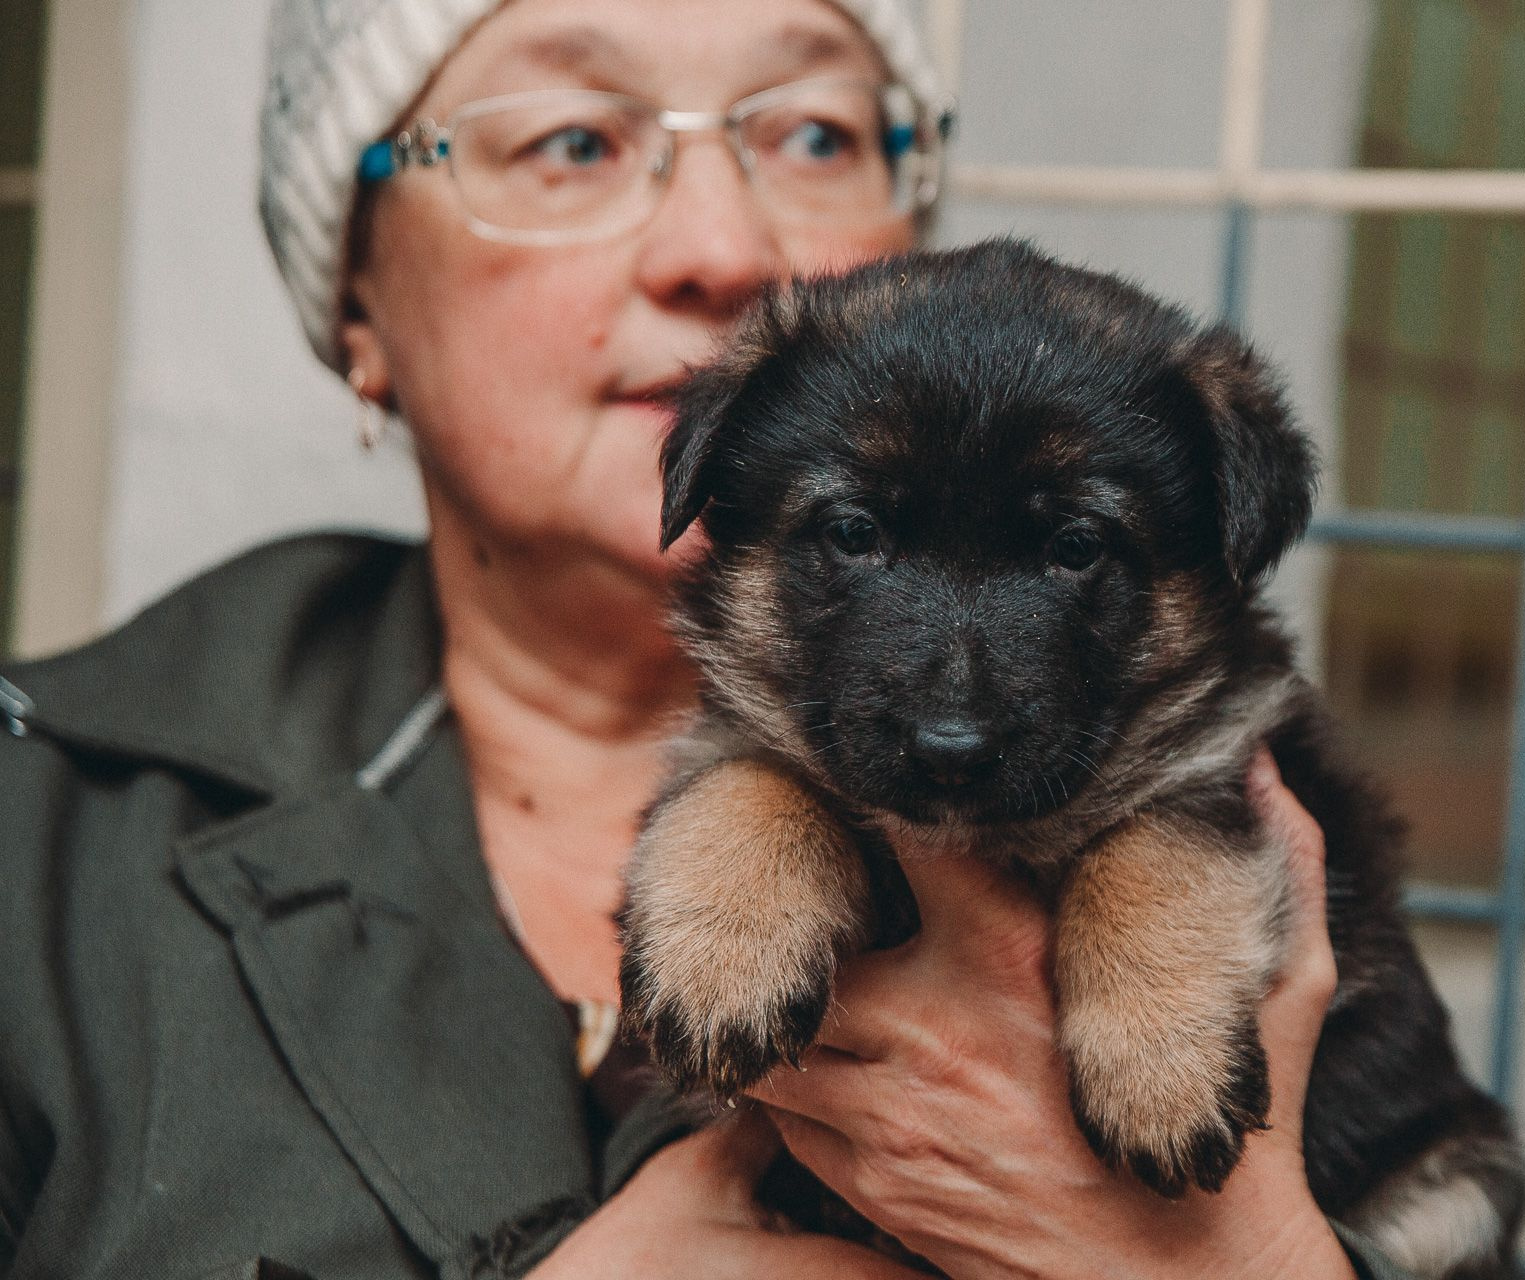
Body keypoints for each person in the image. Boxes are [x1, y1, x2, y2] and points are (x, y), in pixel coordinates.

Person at [0, 0, 1420, 1276]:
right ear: (354, 302)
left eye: (810, 133)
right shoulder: (47, 835)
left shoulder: (1234, 796)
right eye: (570, 140)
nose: (721, 250)